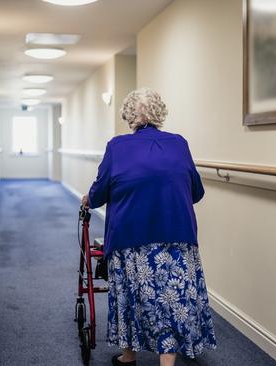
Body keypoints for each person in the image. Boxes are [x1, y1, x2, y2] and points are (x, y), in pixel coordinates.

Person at [82, 88, 216, 366]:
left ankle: (128, 355)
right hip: (177, 234)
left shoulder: (117, 147)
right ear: (159, 113)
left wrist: (89, 199)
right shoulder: (179, 143)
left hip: (130, 236)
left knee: (131, 295)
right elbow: (196, 190)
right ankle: (167, 361)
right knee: (172, 300)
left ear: (129, 116)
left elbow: (100, 191)